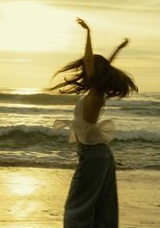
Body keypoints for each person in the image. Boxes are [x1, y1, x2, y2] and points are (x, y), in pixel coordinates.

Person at [50, 18, 138, 228]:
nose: (84, 67)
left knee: (77, 205)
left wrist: (88, 32)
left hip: (93, 156)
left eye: (87, 66)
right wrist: (118, 49)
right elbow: (102, 66)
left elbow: (91, 61)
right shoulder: (96, 92)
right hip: (101, 155)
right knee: (102, 205)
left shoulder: (96, 93)